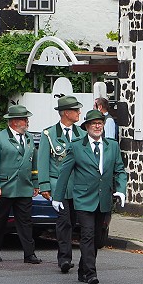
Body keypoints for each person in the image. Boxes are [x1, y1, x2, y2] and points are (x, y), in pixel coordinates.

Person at [52, 110, 128, 284]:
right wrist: (58, 197)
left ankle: (82, 269)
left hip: (104, 198)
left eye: (100, 123)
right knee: (87, 234)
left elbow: (120, 170)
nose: (97, 126)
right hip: (83, 198)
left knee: (97, 238)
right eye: (93, 123)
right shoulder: (77, 146)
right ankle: (91, 273)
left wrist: (121, 190)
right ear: (87, 127)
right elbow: (64, 172)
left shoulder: (112, 146)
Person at [0, 104, 40, 264]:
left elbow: (33, 162)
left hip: (24, 187)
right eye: (24, 119)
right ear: (15, 121)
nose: (27, 122)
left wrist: (35, 182)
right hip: (5, 187)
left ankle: (29, 254)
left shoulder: (29, 137)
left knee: (25, 221)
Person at [37, 96, 83, 274]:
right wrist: (44, 185)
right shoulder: (49, 134)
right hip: (58, 185)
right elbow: (42, 161)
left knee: (73, 220)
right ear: (66, 113)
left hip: (77, 186)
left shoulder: (82, 134)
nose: (79, 113)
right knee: (64, 222)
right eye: (76, 110)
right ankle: (64, 258)